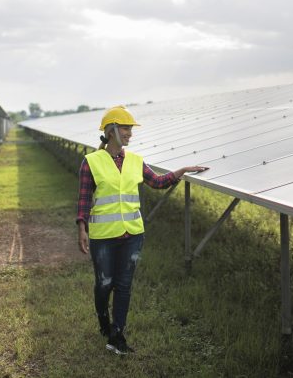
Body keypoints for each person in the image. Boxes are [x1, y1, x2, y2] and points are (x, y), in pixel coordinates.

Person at [76, 105, 209, 355]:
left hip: (132, 235)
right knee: (104, 284)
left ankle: (117, 335)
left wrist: (180, 171)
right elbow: (84, 198)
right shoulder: (91, 162)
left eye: (130, 129)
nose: (130, 133)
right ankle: (103, 319)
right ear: (112, 130)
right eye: (126, 128)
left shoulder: (136, 161)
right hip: (103, 237)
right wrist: (81, 227)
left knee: (124, 285)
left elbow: (157, 182)